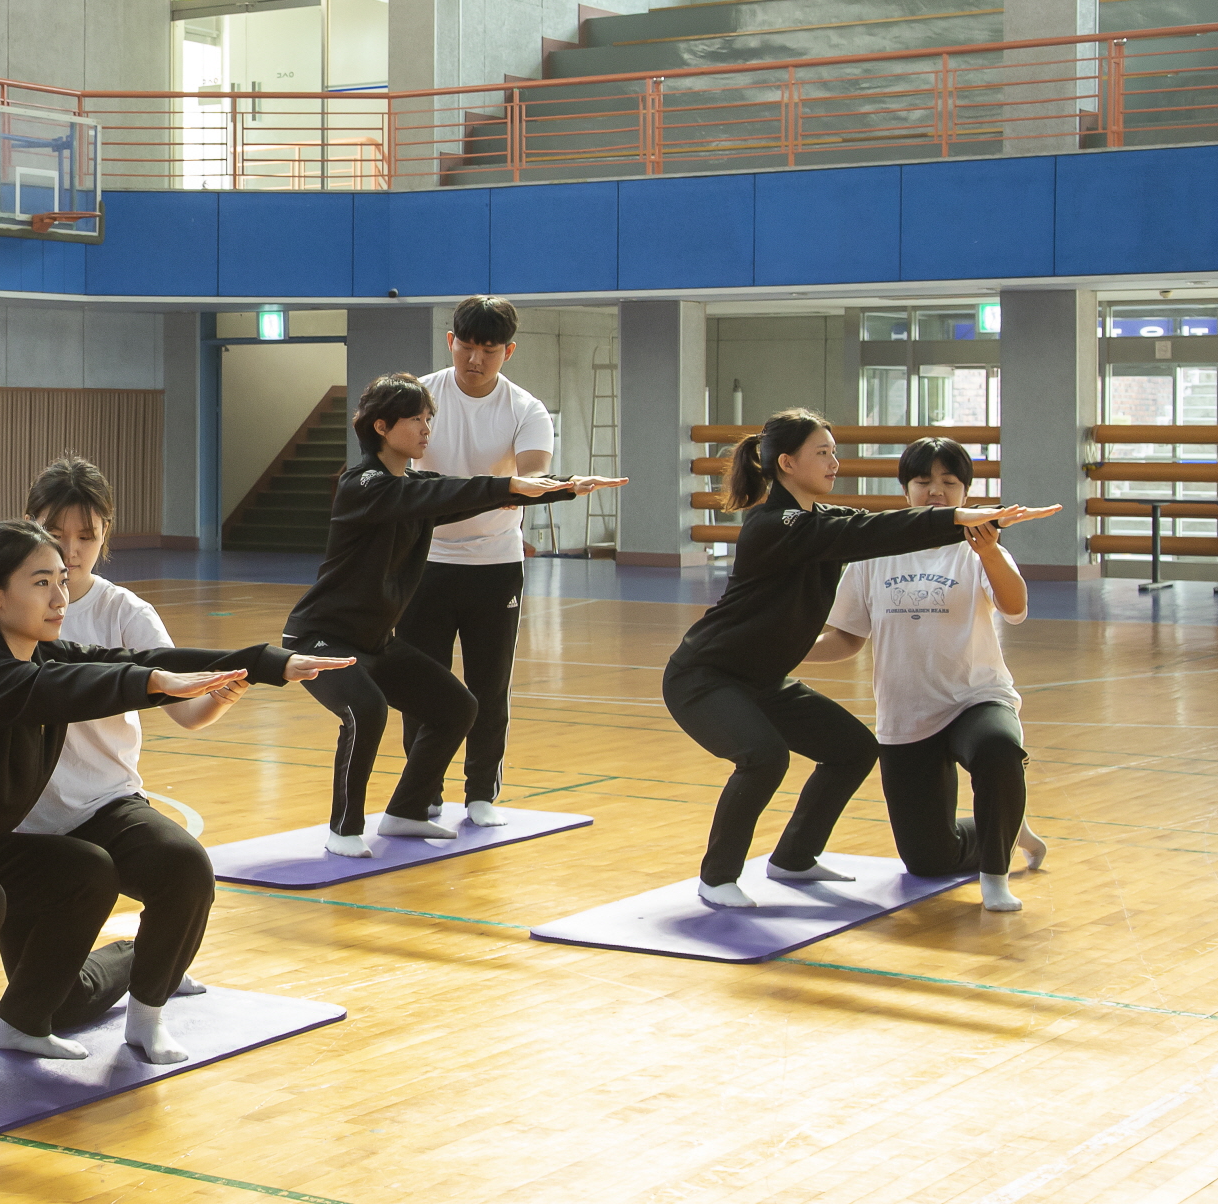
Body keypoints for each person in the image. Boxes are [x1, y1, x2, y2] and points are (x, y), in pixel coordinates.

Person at [0, 515, 349, 1096]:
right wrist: (151, 684)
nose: (60, 596)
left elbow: (120, 662)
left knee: (85, 868)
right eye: (41, 582)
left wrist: (268, 663)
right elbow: (60, 691)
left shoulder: (46, 656)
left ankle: (22, 1022)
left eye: (61, 582)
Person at [664, 409, 1058, 909]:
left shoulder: (820, 520)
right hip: (706, 677)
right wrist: (957, 518)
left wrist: (968, 528)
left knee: (851, 748)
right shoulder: (774, 524)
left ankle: (794, 857)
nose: (835, 462)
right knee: (764, 757)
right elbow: (866, 537)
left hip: (762, 678)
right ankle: (717, 877)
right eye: (823, 453)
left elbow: (871, 527)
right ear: (787, 463)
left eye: (834, 451)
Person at [0, 456, 231, 1061]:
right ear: (30, 526)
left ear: (105, 538)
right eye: (56, 534)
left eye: (87, 538)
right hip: (18, 827)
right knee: (61, 1006)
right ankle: (143, 955)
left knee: (185, 868)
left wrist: (218, 696)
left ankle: (150, 1013)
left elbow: (185, 710)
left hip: (105, 803)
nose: (71, 553)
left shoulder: (125, 612)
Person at [284, 374, 614, 858]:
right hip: (321, 639)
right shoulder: (363, 484)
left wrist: (566, 487)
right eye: (415, 419)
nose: (426, 428)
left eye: (428, 418)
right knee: (367, 710)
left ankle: (406, 811)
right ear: (381, 426)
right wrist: (507, 483)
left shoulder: (413, 486)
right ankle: (344, 828)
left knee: (457, 707)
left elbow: (472, 494)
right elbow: (449, 495)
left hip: (375, 642)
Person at [805, 437, 1048, 911]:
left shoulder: (978, 548)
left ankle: (995, 877)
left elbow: (1015, 607)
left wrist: (991, 554)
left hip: (975, 698)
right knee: (928, 860)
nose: (935, 491)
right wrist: (786, 655)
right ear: (905, 489)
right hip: (906, 714)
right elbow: (847, 639)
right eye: (923, 481)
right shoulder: (872, 553)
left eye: (949, 482)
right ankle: (1008, 822)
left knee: (998, 747)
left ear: (966, 491)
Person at [394, 296, 554, 828]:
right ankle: (424, 791)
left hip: (495, 564)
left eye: (489, 349)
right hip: (425, 562)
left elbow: (530, 479)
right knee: (422, 683)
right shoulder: (421, 397)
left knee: (490, 684)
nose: (476, 359)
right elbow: (393, 471)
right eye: (467, 346)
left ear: (507, 351)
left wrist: (514, 489)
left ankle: (482, 792)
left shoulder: (525, 409)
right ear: (450, 343)